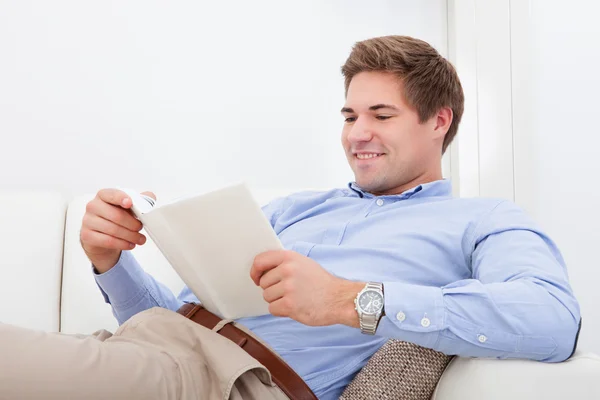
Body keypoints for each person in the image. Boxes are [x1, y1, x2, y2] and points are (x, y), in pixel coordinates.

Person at [0, 35, 580, 400]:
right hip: (154, 351)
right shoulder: (293, 210)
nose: (358, 134)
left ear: (439, 122)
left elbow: (552, 320)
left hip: (233, 382)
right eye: (350, 114)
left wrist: (350, 301)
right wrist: (112, 261)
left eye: (381, 114)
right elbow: (175, 319)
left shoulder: (482, 220)